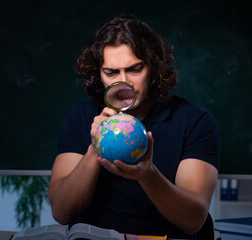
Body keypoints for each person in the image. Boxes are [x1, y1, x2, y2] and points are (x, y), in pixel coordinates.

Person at [48, 14, 220, 239]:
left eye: (135, 69)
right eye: (111, 73)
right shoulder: (81, 117)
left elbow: (193, 220)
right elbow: (62, 211)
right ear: (99, 75)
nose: (123, 82)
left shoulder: (196, 122)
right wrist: (94, 148)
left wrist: (147, 174)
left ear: (153, 68)